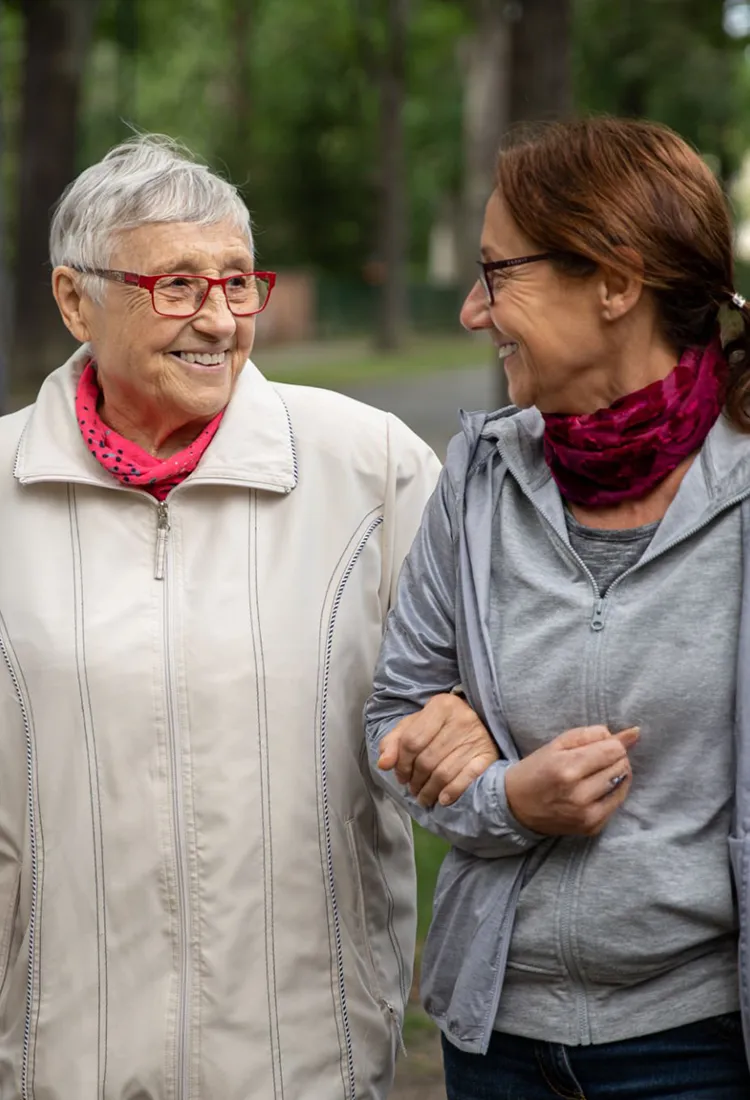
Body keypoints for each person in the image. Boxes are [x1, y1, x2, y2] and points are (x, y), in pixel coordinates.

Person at [0, 133, 448, 1100]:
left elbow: (460, 722)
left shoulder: (372, 468)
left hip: (305, 1064)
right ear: (74, 299)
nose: (217, 319)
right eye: (176, 286)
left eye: (238, 283)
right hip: (54, 1063)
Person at [365, 117, 750, 1099]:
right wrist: (508, 798)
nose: (470, 310)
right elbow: (393, 719)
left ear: (616, 284)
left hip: (702, 1050)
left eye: (497, 273)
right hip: (497, 1044)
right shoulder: (480, 477)